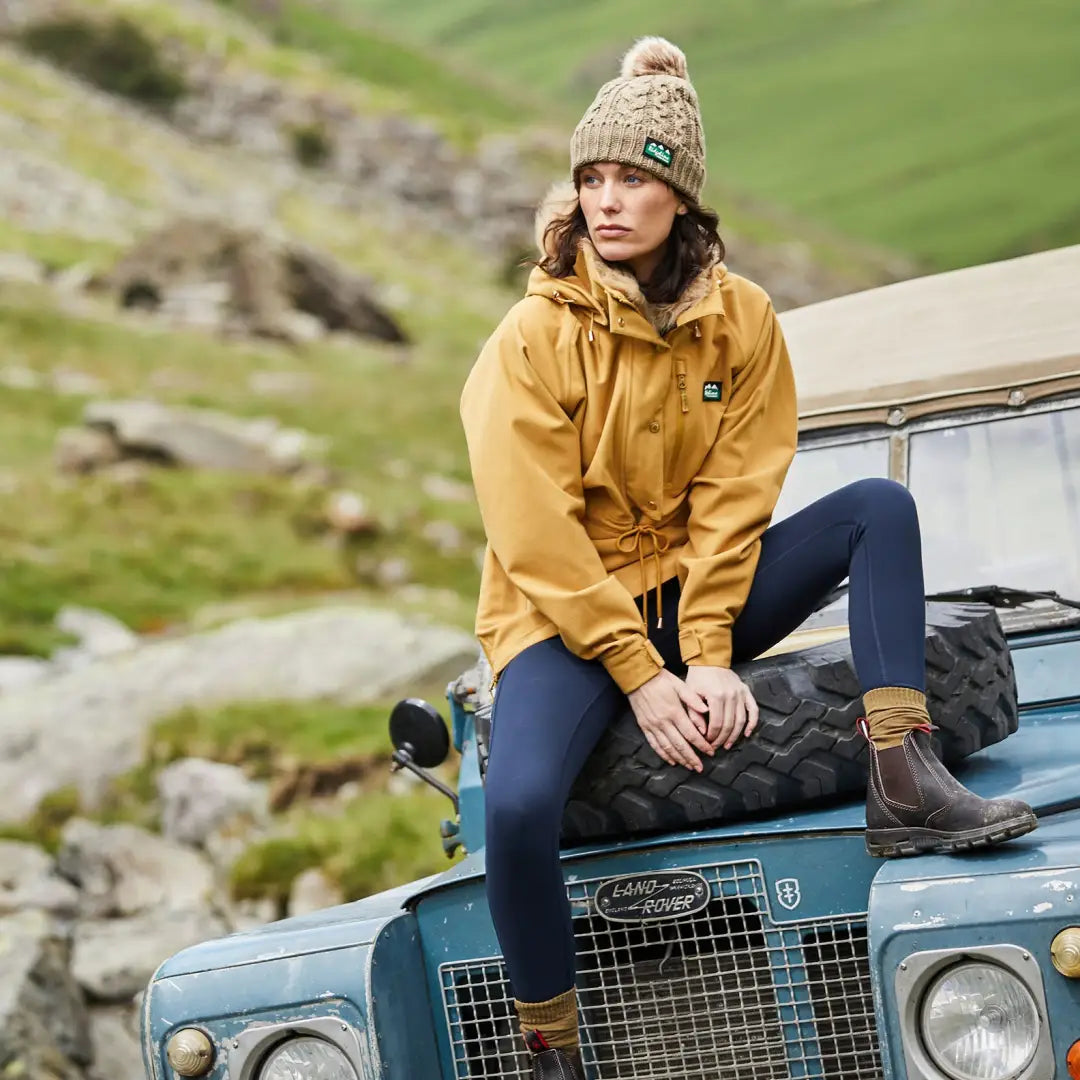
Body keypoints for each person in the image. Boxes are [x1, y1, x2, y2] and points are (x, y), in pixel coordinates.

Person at [459, 37, 1036, 1080]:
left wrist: (712, 651)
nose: (607, 200)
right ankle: (551, 1046)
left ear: (680, 195)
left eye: (632, 176)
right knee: (516, 805)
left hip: (690, 592)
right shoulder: (528, 341)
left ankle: (902, 771)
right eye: (591, 178)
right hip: (565, 619)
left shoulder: (743, 322)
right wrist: (644, 678)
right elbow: (531, 530)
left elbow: (736, 498)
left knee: (875, 509)